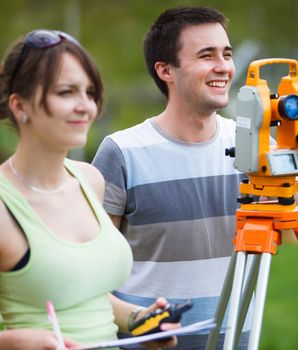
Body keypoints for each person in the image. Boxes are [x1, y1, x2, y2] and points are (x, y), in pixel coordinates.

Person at [92, 6, 298, 350]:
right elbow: (90, 274)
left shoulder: (251, 146)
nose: (224, 66)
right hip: (147, 344)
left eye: (226, 54)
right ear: (165, 69)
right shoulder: (121, 152)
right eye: (206, 55)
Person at [0, 29, 178, 350]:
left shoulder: (90, 180)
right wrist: (13, 342)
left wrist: (137, 320)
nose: (86, 106)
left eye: (90, 92)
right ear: (19, 105)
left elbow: (83, 292)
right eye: (67, 92)